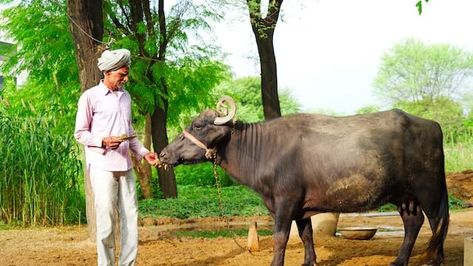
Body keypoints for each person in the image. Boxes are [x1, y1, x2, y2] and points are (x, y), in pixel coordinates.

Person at [74, 48, 159, 266]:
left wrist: (144, 153)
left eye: (126, 73)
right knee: (107, 222)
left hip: (125, 166)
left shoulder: (126, 97)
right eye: (122, 74)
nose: (125, 78)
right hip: (102, 166)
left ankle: (127, 264)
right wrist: (102, 141)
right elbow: (80, 133)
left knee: (131, 218)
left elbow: (130, 134)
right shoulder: (90, 97)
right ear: (108, 72)